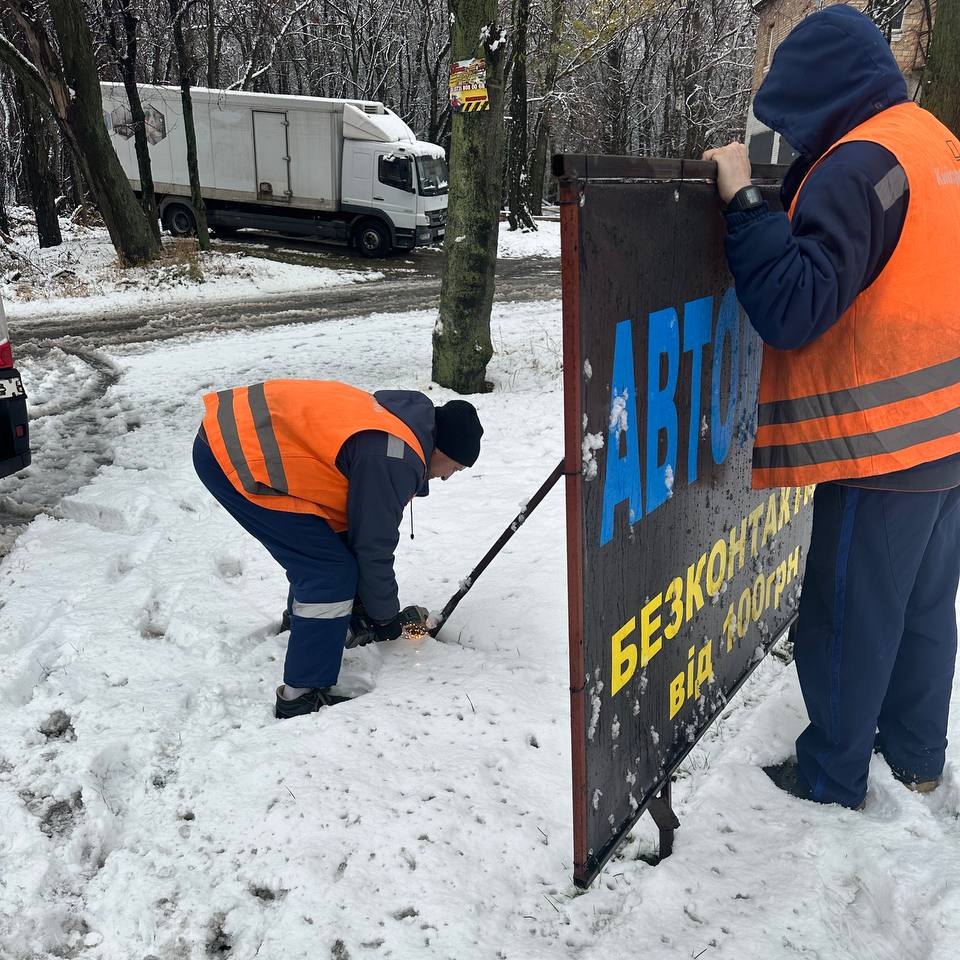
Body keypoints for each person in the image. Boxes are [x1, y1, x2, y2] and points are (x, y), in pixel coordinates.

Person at [703, 5, 960, 809]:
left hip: (886, 437)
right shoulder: (933, 140)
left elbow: (794, 304)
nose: (792, 135)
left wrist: (745, 199)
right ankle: (916, 758)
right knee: (923, 608)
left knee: (847, 616)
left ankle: (830, 776)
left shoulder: (861, 164)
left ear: (819, 91)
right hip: (948, 423)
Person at [192, 379, 483, 719]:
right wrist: (385, 617)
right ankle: (300, 694)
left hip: (232, 433)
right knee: (328, 572)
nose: (448, 478)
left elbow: (356, 527)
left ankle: (309, 624)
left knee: (328, 544)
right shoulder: (394, 455)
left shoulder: (404, 423)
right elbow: (373, 546)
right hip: (236, 456)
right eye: (455, 469)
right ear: (441, 452)